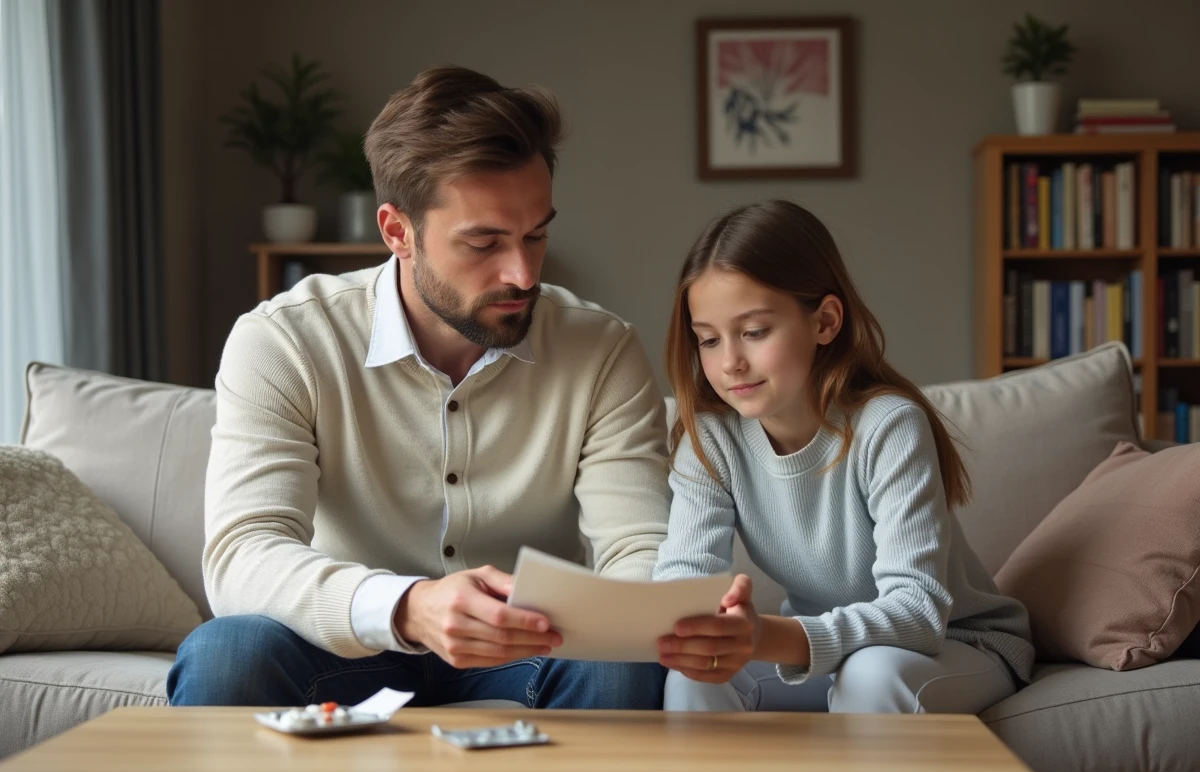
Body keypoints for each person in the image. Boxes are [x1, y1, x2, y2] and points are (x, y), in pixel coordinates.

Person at [168, 65, 669, 710]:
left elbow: (639, 548)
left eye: (536, 234)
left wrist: (635, 615)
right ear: (397, 232)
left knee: (623, 667)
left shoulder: (602, 351)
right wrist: (405, 607)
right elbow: (244, 554)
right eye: (483, 242)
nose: (521, 273)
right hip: (348, 642)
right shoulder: (284, 341)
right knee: (226, 653)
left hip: (532, 647)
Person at [652, 199, 1034, 713]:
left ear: (826, 321)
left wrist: (765, 636)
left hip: (956, 644)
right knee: (695, 676)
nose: (730, 363)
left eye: (755, 332)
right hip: (828, 653)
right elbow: (683, 585)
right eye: (708, 340)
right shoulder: (711, 437)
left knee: (871, 674)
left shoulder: (889, 425)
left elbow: (918, 614)